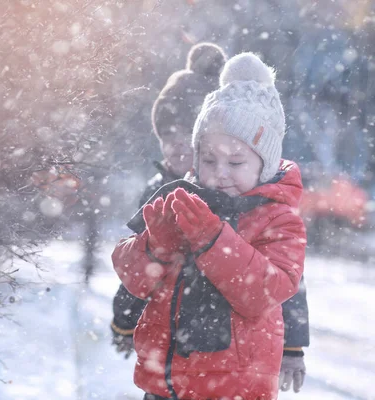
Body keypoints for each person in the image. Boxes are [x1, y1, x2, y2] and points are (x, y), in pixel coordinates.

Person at [112, 53, 307, 400]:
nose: (220, 172)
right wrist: (156, 246)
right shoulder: (179, 198)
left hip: (233, 388)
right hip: (164, 384)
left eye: (235, 161)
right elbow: (131, 274)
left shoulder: (278, 219)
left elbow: (267, 290)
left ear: (264, 165)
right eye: (208, 159)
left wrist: (212, 239)